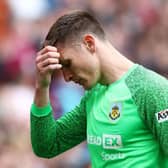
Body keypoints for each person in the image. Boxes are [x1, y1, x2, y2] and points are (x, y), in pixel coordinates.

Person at [30, 10, 168, 167]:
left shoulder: (150, 89)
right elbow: (47, 146)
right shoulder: (94, 94)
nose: (66, 77)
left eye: (68, 64)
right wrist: (42, 86)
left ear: (89, 43)